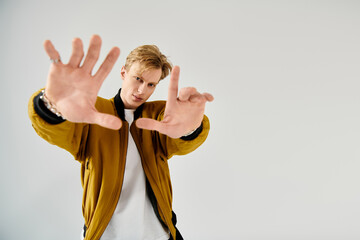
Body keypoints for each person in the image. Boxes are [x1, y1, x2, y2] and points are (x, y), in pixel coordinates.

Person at [28, 35, 214, 240]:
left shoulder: (159, 115)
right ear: (123, 73)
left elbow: (179, 141)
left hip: (158, 235)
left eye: (151, 84)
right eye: (138, 79)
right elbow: (57, 131)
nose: (143, 90)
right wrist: (52, 105)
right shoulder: (93, 112)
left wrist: (191, 129)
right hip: (105, 234)